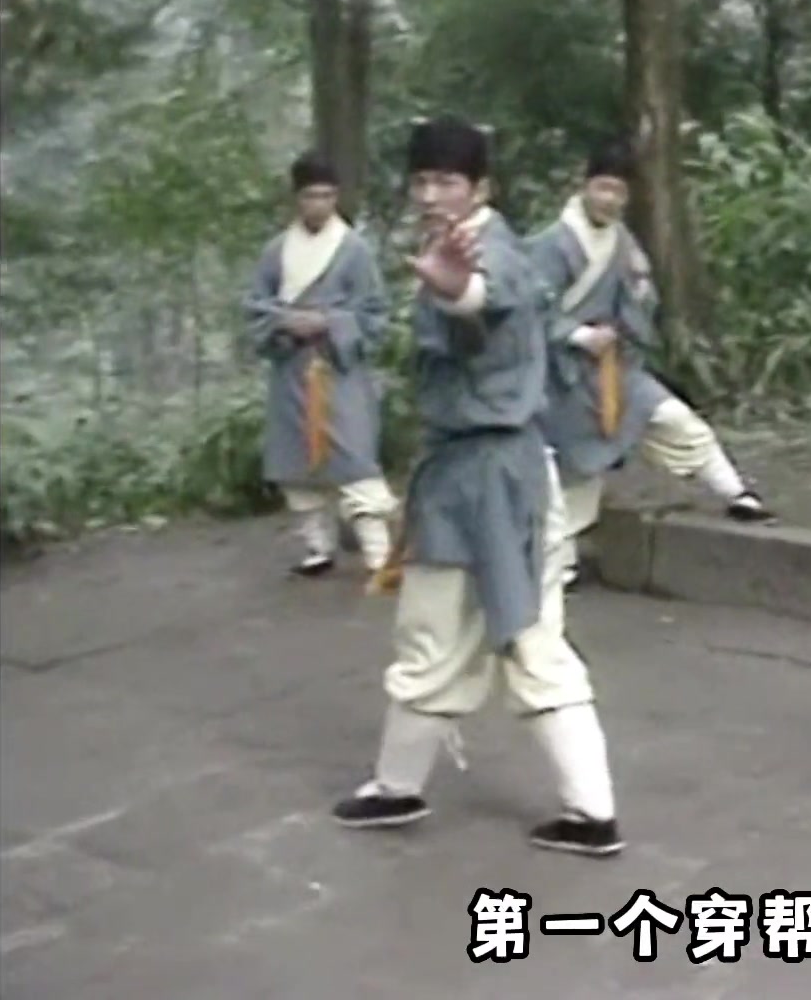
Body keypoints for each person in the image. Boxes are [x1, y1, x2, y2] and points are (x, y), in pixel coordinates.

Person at [330, 117, 624, 858]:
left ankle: (404, 787)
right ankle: (587, 809)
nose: (431, 195)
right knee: (524, 637)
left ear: (481, 187)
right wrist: (454, 287)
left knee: (451, 632)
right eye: (422, 181)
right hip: (496, 470)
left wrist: (459, 293)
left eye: (448, 182)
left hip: (486, 474)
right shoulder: (476, 248)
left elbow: (484, 309)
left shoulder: (489, 255)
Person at [528, 141, 775, 589]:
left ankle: (735, 492)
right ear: (585, 186)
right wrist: (578, 335)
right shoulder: (550, 245)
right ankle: (559, 567)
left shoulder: (624, 244)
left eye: (619, 192)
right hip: (562, 378)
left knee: (675, 419)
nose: (609, 200)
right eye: (603, 188)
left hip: (613, 371)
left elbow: (641, 302)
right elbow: (528, 312)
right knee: (574, 475)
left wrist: (635, 309)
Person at [242, 153, 400, 579]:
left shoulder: (354, 250)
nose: (320, 205)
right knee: (297, 463)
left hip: (339, 370)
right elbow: (255, 306)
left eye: (328, 196)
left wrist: (330, 322)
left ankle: (379, 553)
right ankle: (317, 548)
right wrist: (284, 322)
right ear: (297, 199)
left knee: (353, 457)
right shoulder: (276, 251)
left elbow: (374, 313)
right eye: (311, 196)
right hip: (292, 368)